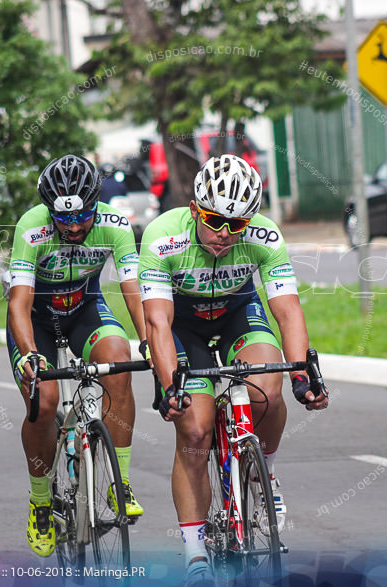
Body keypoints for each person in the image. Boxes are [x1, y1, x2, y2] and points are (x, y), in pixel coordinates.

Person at [137, 154, 329, 583]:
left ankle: (266, 475)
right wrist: (171, 385)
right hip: (182, 324)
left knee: (269, 388)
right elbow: (158, 323)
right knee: (196, 428)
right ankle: (195, 553)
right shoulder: (162, 238)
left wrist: (302, 376)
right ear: (193, 210)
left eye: (236, 225)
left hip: (237, 313)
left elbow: (288, 310)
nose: (224, 235)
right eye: (213, 221)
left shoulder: (264, 235)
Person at [6, 154, 146, 557]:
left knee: (119, 363)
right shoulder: (31, 228)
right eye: (62, 218)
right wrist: (30, 355)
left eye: (82, 216)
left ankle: (120, 483)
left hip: (85, 310)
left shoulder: (115, 225)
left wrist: (148, 340)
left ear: (96, 204)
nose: (72, 226)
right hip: (37, 320)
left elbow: (132, 287)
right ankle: (40, 502)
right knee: (43, 402)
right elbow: (19, 303)